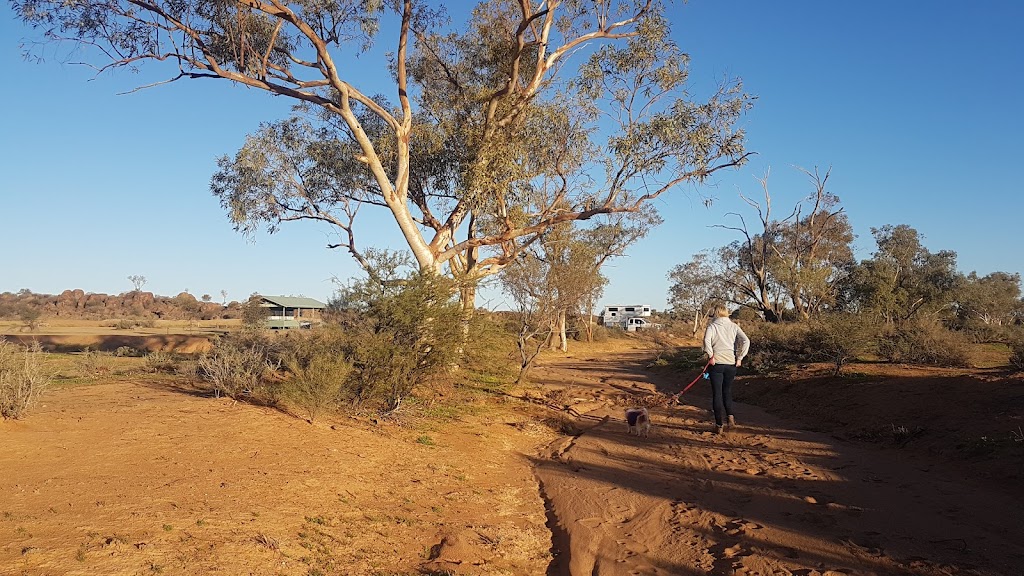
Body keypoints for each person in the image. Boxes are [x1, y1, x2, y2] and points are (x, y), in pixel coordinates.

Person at [702, 305, 750, 434]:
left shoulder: (712, 326)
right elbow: (746, 341)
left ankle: (719, 425)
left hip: (716, 363)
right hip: (731, 363)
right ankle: (730, 418)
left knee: (717, 394)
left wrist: (711, 355)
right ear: (726, 313)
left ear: (715, 314)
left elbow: (706, 341)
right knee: (727, 391)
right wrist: (740, 357)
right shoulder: (734, 326)